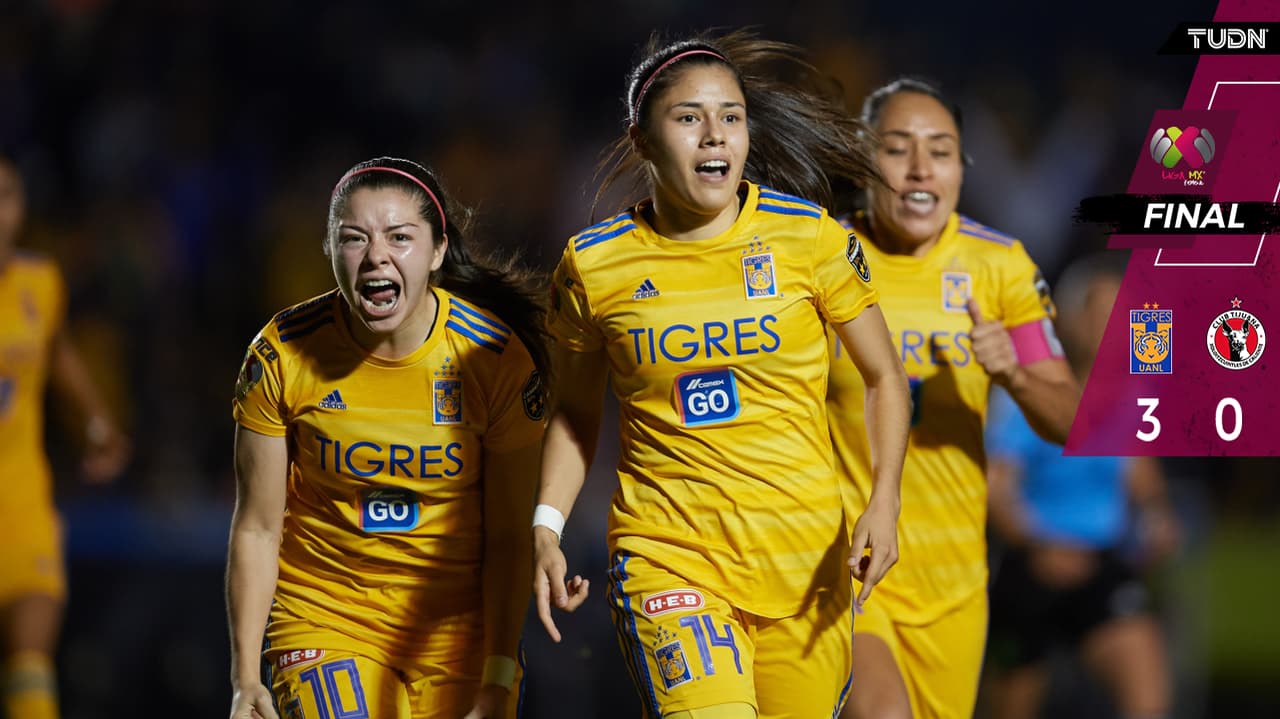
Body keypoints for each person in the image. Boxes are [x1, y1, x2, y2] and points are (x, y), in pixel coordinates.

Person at [532, 31, 912, 719]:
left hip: (804, 567)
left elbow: (885, 374)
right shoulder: (594, 266)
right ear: (643, 139)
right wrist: (547, 523)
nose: (715, 135)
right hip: (668, 555)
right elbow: (574, 414)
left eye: (730, 116)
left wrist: (883, 500)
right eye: (689, 118)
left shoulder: (810, 239)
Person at [226, 157, 548, 719]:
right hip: (324, 617)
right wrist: (245, 675)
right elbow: (256, 525)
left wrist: (499, 671)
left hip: (454, 633)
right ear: (329, 250)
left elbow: (507, 537)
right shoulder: (280, 353)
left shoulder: (494, 361)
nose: (377, 255)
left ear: (438, 251)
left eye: (400, 237)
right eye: (354, 239)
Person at [827, 78, 1081, 719]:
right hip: (843, 566)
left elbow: (1072, 419)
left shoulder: (1001, 268)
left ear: (960, 170)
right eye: (898, 148)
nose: (920, 168)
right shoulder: (821, 256)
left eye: (939, 151)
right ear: (864, 160)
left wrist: (1015, 376)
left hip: (953, 585)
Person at [982, 254, 1176, 719]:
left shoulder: (1133, 396)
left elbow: (1140, 477)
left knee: (1147, 689)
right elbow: (996, 486)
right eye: (1101, 313)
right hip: (1033, 562)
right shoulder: (1029, 390)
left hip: (1101, 563)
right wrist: (1038, 545)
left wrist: (1156, 519)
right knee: (1015, 704)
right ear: (1070, 319)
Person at [0, 149, 130, 719]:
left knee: (31, 666)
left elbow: (57, 355)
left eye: (4, 196)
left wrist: (97, 425)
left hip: (23, 504)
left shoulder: (40, 282)